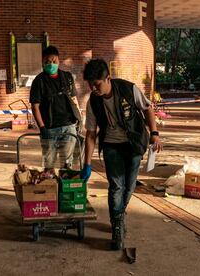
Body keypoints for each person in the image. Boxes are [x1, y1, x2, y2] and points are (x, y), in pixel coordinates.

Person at [81, 59, 163, 250]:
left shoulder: (128, 89)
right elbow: (91, 134)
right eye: (90, 84)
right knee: (116, 186)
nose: (94, 88)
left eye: (97, 84)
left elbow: (147, 107)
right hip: (111, 146)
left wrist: (155, 134)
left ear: (107, 78)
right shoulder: (93, 101)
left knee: (129, 186)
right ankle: (117, 225)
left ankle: (120, 214)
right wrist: (87, 164)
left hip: (134, 144)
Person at [29, 46, 81, 170]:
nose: (51, 64)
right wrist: (42, 128)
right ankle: (50, 187)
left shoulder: (67, 77)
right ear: (42, 62)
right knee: (49, 164)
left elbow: (74, 99)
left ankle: (64, 187)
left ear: (59, 61)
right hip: (49, 129)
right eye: (47, 62)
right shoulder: (39, 81)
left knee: (67, 164)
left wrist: (79, 119)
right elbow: (35, 107)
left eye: (54, 61)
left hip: (69, 126)